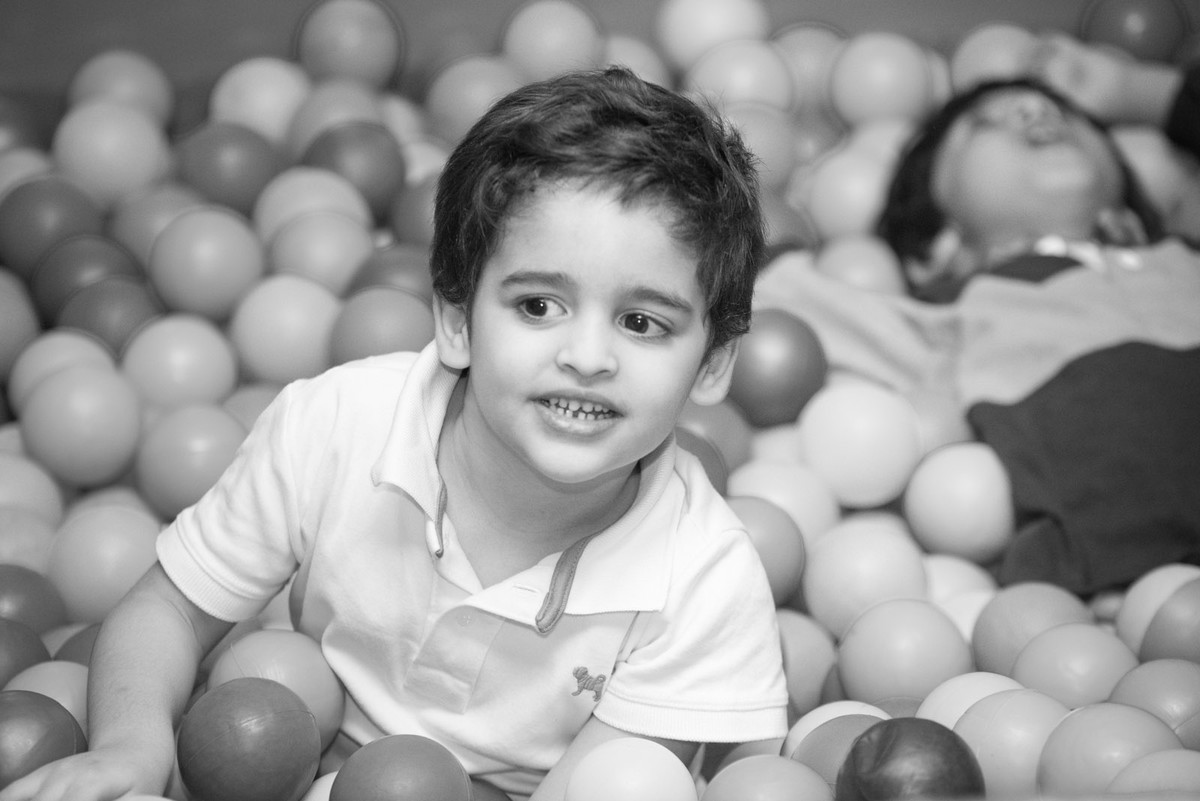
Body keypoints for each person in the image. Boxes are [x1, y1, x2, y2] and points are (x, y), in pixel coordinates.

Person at [1, 67, 788, 801]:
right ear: (457, 320)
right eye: (538, 306)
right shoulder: (338, 425)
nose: (586, 357)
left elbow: (604, 782)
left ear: (713, 363)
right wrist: (131, 749)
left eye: (641, 322)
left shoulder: (706, 579)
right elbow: (168, 609)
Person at [758, 41, 1200, 597]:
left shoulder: (1185, 258)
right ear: (939, 247)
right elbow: (780, 297)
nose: (1035, 109)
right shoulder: (962, 310)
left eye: (1067, 115)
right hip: (1128, 587)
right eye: (987, 124)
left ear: (1127, 217)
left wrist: (1149, 95)